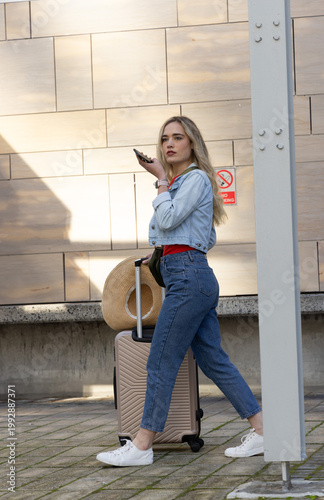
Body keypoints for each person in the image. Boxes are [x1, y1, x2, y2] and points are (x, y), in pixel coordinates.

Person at [97, 116, 263, 467]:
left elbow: (169, 219)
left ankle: (142, 446)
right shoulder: (181, 183)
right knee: (214, 360)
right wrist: (161, 253)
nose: (169, 144)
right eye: (164, 138)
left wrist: (159, 181)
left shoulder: (195, 179)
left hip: (189, 279)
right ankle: (263, 430)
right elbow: (194, 234)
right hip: (190, 276)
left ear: (192, 144)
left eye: (178, 138)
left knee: (160, 362)